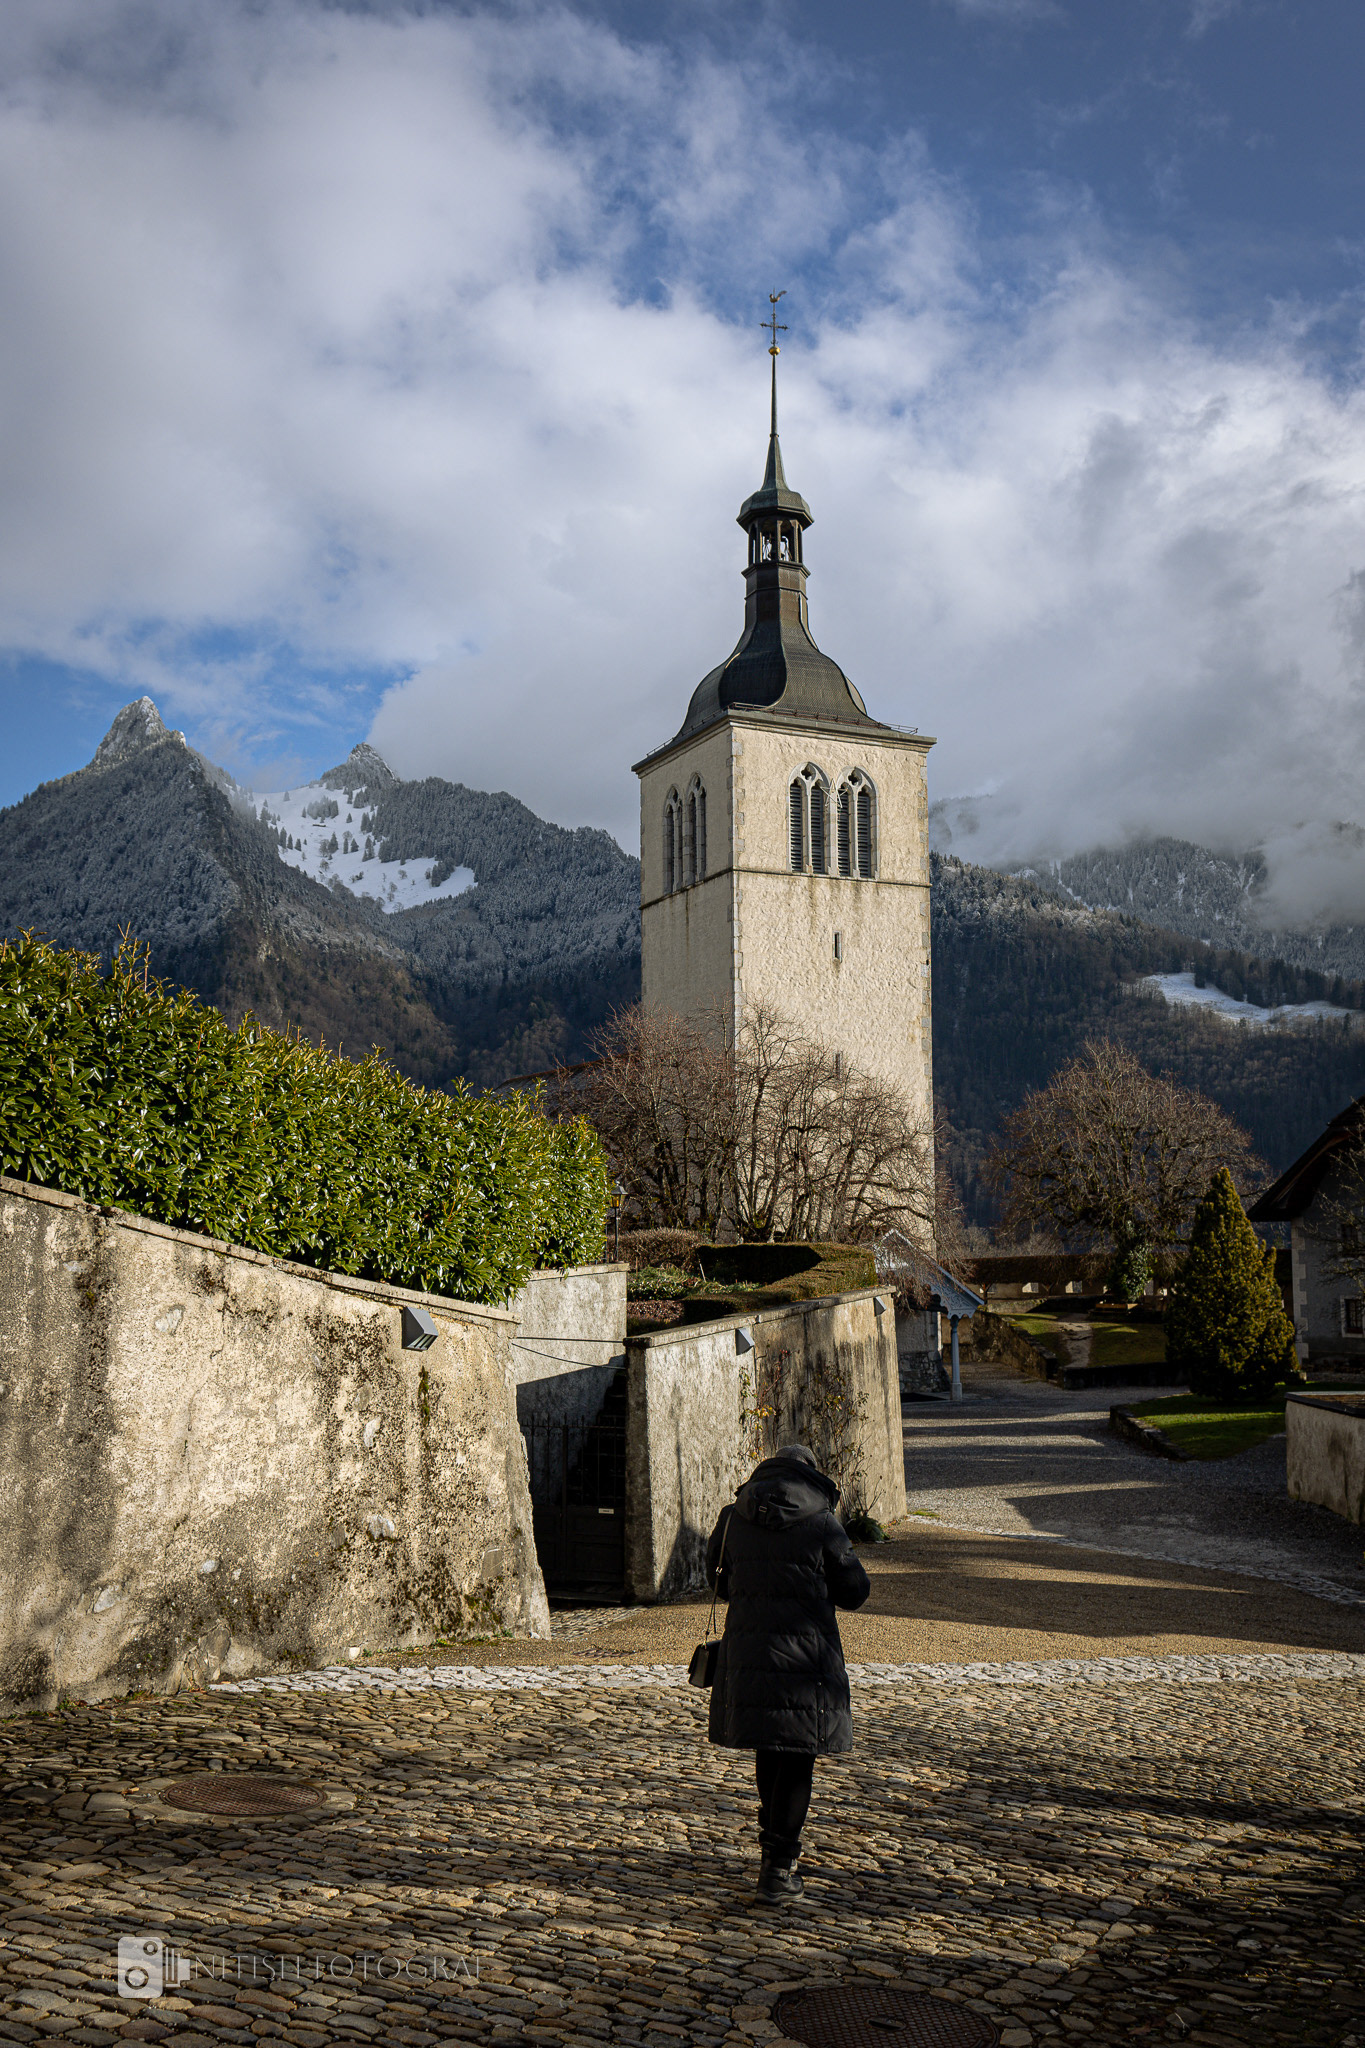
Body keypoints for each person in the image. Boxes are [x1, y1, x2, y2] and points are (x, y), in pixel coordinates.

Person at [704, 1442, 871, 1903]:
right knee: (797, 1756)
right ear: (810, 1476)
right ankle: (780, 1867)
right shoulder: (822, 1523)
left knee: (769, 1747)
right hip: (806, 1663)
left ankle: (772, 1849)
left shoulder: (734, 1516)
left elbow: (716, 1577)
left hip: (751, 1654)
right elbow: (855, 1591)